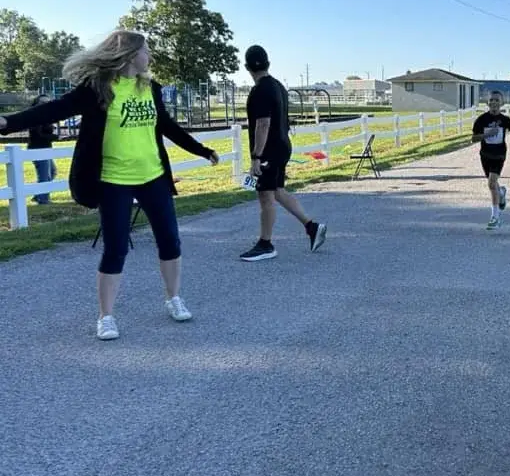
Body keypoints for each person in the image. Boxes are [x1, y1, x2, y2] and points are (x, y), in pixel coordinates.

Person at [0, 30, 219, 341]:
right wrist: (9, 123)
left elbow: (168, 126)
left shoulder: (151, 88)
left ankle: (174, 298)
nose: (149, 56)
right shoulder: (97, 90)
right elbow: (53, 109)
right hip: (114, 181)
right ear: (129, 55)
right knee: (115, 248)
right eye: (145, 51)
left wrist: (202, 150)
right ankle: (106, 316)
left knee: (170, 241)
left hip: (153, 177)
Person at [240, 44, 326, 261]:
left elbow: (262, 124)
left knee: (265, 195)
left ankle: (266, 243)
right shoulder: (278, 86)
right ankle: (312, 227)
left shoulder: (260, 90)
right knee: (277, 190)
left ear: (246, 66)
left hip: (268, 149)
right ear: (267, 63)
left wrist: (256, 157)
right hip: (282, 145)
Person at [471, 90, 510, 229]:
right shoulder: (481, 120)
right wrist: (486, 134)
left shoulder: (504, 119)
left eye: (497, 100)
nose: (494, 102)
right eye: (492, 100)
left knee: (491, 183)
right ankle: (501, 192)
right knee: (492, 183)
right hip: (485, 155)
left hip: (499, 155)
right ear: (487, 103)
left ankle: (495, 217)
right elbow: (473, 138)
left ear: (502, 103)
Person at [26, 94, 58, 205]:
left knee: (52, 172)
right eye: (43, 102)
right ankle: (43, 200)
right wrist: (55, 137)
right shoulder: (34, 117)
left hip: (46, 148)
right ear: (36, 103)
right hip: (37, 149)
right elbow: (38, 135)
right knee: (44, 175)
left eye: (48, 102)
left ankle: (38, 195)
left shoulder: (47, 116)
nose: (46, 104)